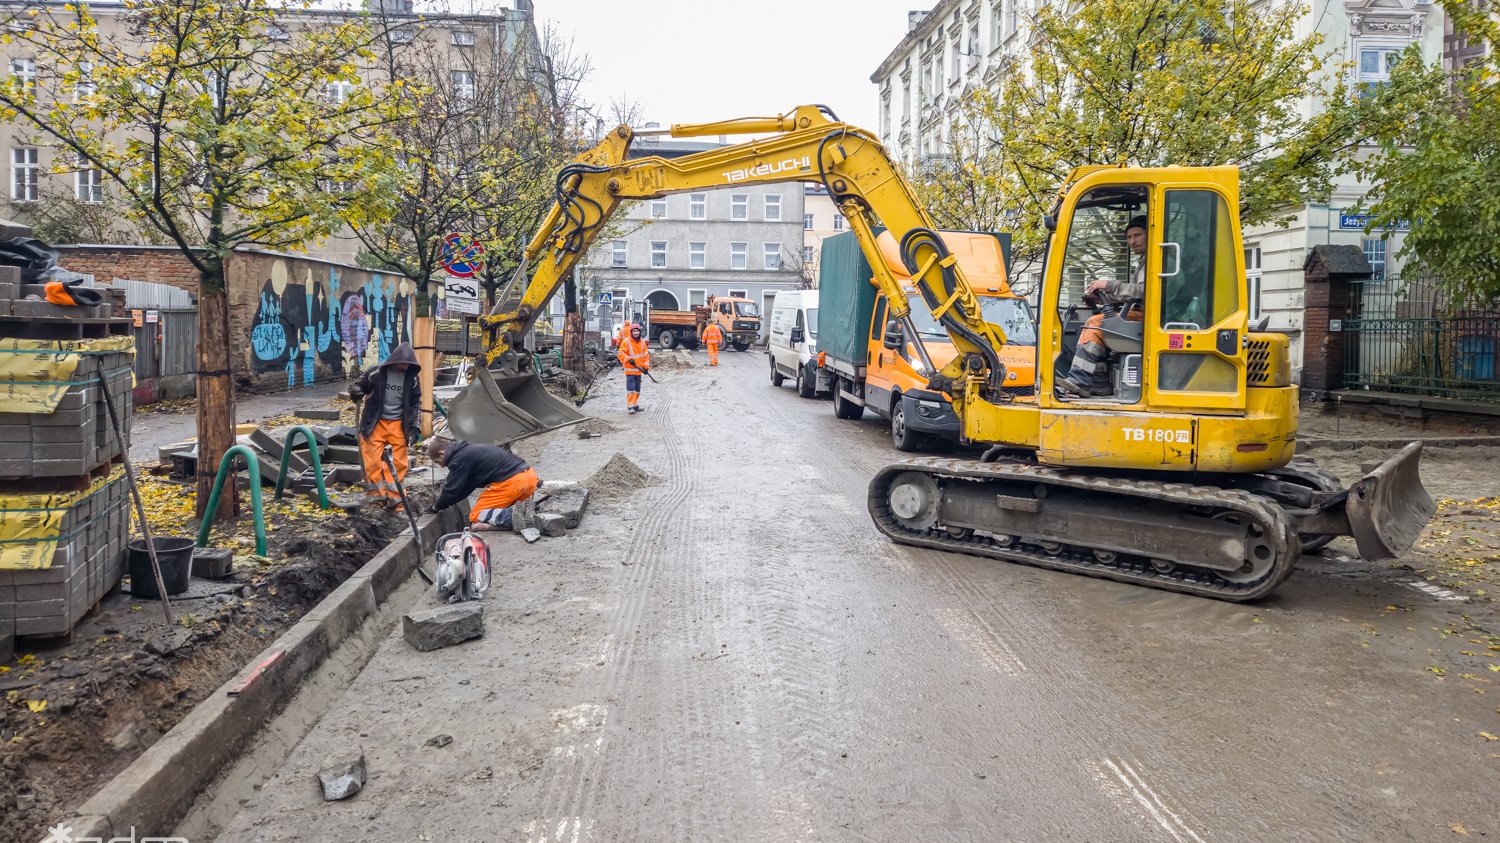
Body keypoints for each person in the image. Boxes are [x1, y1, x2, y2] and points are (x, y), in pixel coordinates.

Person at [1058, 215, 1147, 398]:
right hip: (1141, 313)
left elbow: (1144, 292)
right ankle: (1100, 382)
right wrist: (1103, 297)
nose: (1132, 241)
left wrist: (1109, 285)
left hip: (1150, 317)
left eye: (1137, 235)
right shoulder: (1144, 261)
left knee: (1096, 324)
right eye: (1129, 237)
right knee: (1100, 322)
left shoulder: (1157, 260)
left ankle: (1078, 380)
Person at [350, 342, 421, 509]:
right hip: (375, 422)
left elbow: (415, 403)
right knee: (372, 462)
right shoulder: (375, 373)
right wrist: (355, 391)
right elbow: (359, 385)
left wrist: (414, 426)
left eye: (408, 364)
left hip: (398, 424)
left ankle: (396, 499)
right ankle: (376, 498)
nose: (405, 367)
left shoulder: (412, 379)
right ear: (394, 360)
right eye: (403, 363)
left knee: (399, 463)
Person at [427, 438, 541, 531]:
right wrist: (445, 503)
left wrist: (436, 507)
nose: (441, 466)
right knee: (489, 512)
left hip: (513, 483)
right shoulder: (468, 450)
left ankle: (513, 516)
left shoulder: (458, 459)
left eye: (438, 462)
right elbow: (464, 489)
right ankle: (524, 509)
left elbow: (451, 490)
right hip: (530, 478)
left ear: (442, 453)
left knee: (476, 516)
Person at [616, 322, 651, 413]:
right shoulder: (626, 342)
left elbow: (646, 355)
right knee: (631, 389)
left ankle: (634, 404)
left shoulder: (642, 342)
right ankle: (630, 406)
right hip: (630, 370)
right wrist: (628, 359)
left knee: (637, 389)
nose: (636, 333)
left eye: (637, 331)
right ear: (631, 332)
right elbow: (620, 354)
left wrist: (646, 367)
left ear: (640, 332)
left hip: (639, 370)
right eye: (634, 331)